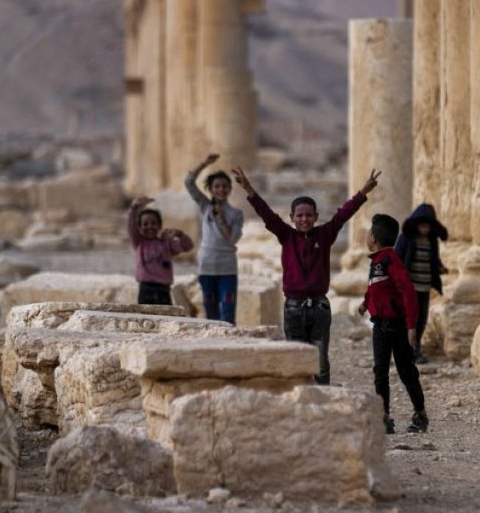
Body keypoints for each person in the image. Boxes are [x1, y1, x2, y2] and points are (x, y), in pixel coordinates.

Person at [231, 165, 380, 385]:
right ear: (291, 217)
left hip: (320, 306)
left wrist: (362, 193)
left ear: (316, 216)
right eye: (299, 215)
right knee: (295, 357)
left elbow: (343, 214)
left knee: (320, 359)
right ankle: (299, 398)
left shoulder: (325, 234)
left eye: (309, 215)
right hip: (293, 306)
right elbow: (267, 215)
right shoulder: (286, 236)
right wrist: (249, 189)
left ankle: (322, 397)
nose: (304, 219)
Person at [358, 213, 429, 434]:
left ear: (375, 237)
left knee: (406, 370)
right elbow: (375, 288)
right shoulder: (377, 261)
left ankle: (420, 414)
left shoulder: (391, 260)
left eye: (369, 232)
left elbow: (407, 292)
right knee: (380, 371)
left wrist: (410, 327)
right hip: (379, 327)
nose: (367, 236)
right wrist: (365, 303)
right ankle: (384, 417)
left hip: (397, 327)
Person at [185, 153, 245, 324]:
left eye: (225, 186)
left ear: (230, 189)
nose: (221, 190)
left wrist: (221, 219)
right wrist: (203, 163)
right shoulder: (205, 207)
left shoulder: (236, 214)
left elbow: (232, 239)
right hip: (207, 267)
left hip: (227, 269)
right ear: (210, 189)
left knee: (227, 310)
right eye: (217, 186)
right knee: (211, 312)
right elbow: (188, 182)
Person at [394, 203, 449, 364]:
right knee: (409, 320)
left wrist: (440, 268)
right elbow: (396, 259)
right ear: (416, 224)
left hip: (424, 287)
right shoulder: (406, 238)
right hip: (409, 288)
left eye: (427, 226)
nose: (425, 229)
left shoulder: (432, 241)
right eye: (422, 226)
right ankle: (406, 351)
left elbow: (433, 261)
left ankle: (415, 349)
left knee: (422, 320)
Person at [127, 196, 194, 305]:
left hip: (164, 290)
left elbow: (188, 246)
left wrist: (179, 234)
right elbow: (131, 226)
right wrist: (134, 208)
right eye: (145, 224)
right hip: (145, 288)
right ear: (139, 228)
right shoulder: (139, 243)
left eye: (153, 223)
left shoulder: (167, 244)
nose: (150, 227)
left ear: (160, 225)